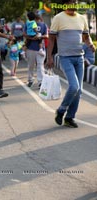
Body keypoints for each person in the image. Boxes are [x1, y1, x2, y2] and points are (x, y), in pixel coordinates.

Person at [47, 0, 95, 128]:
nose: (74, 4)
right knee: (74, 87)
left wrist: (90, 44)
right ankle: (61, 110)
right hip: (65, 58)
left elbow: (86, 36)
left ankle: (69, 117)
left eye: (76, 2)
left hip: (79, 58)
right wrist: (49, 57)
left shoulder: (82, 18)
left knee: (79, 91)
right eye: (72, 1)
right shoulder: (58, 18)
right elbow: (51, 40)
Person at [24, 14, 48, 88]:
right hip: (32, 48)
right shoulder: (28, 24)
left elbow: (46, 35)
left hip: (38, 49)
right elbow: (24, 34)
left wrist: (39, 36)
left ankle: (40, 81)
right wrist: (33, 38)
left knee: (38, 65)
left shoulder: (44, 25)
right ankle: (31, 80)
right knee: (36, 65)